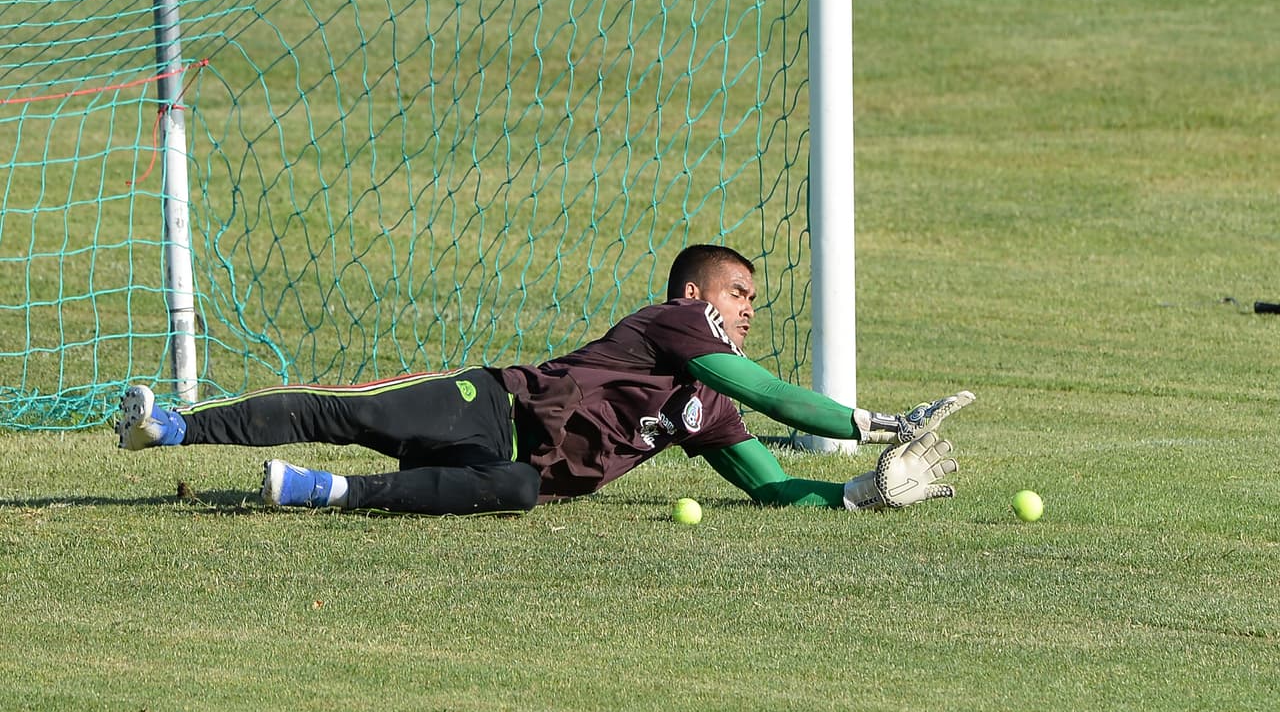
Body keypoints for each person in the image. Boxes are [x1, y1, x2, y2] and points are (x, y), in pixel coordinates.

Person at [116, 245, 973, 515]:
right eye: (738, 293)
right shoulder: (678, 324)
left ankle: (321, 492)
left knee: (522, 490)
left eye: (753, 300)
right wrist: (886, 421)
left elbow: (774, 487)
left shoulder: (707, 407)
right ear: (694, 294)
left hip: (512, 463)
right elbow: (779, 399)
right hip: (490, 400)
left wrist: (861, 494)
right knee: (343, 408)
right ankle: (172, 428)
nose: (748, 308)